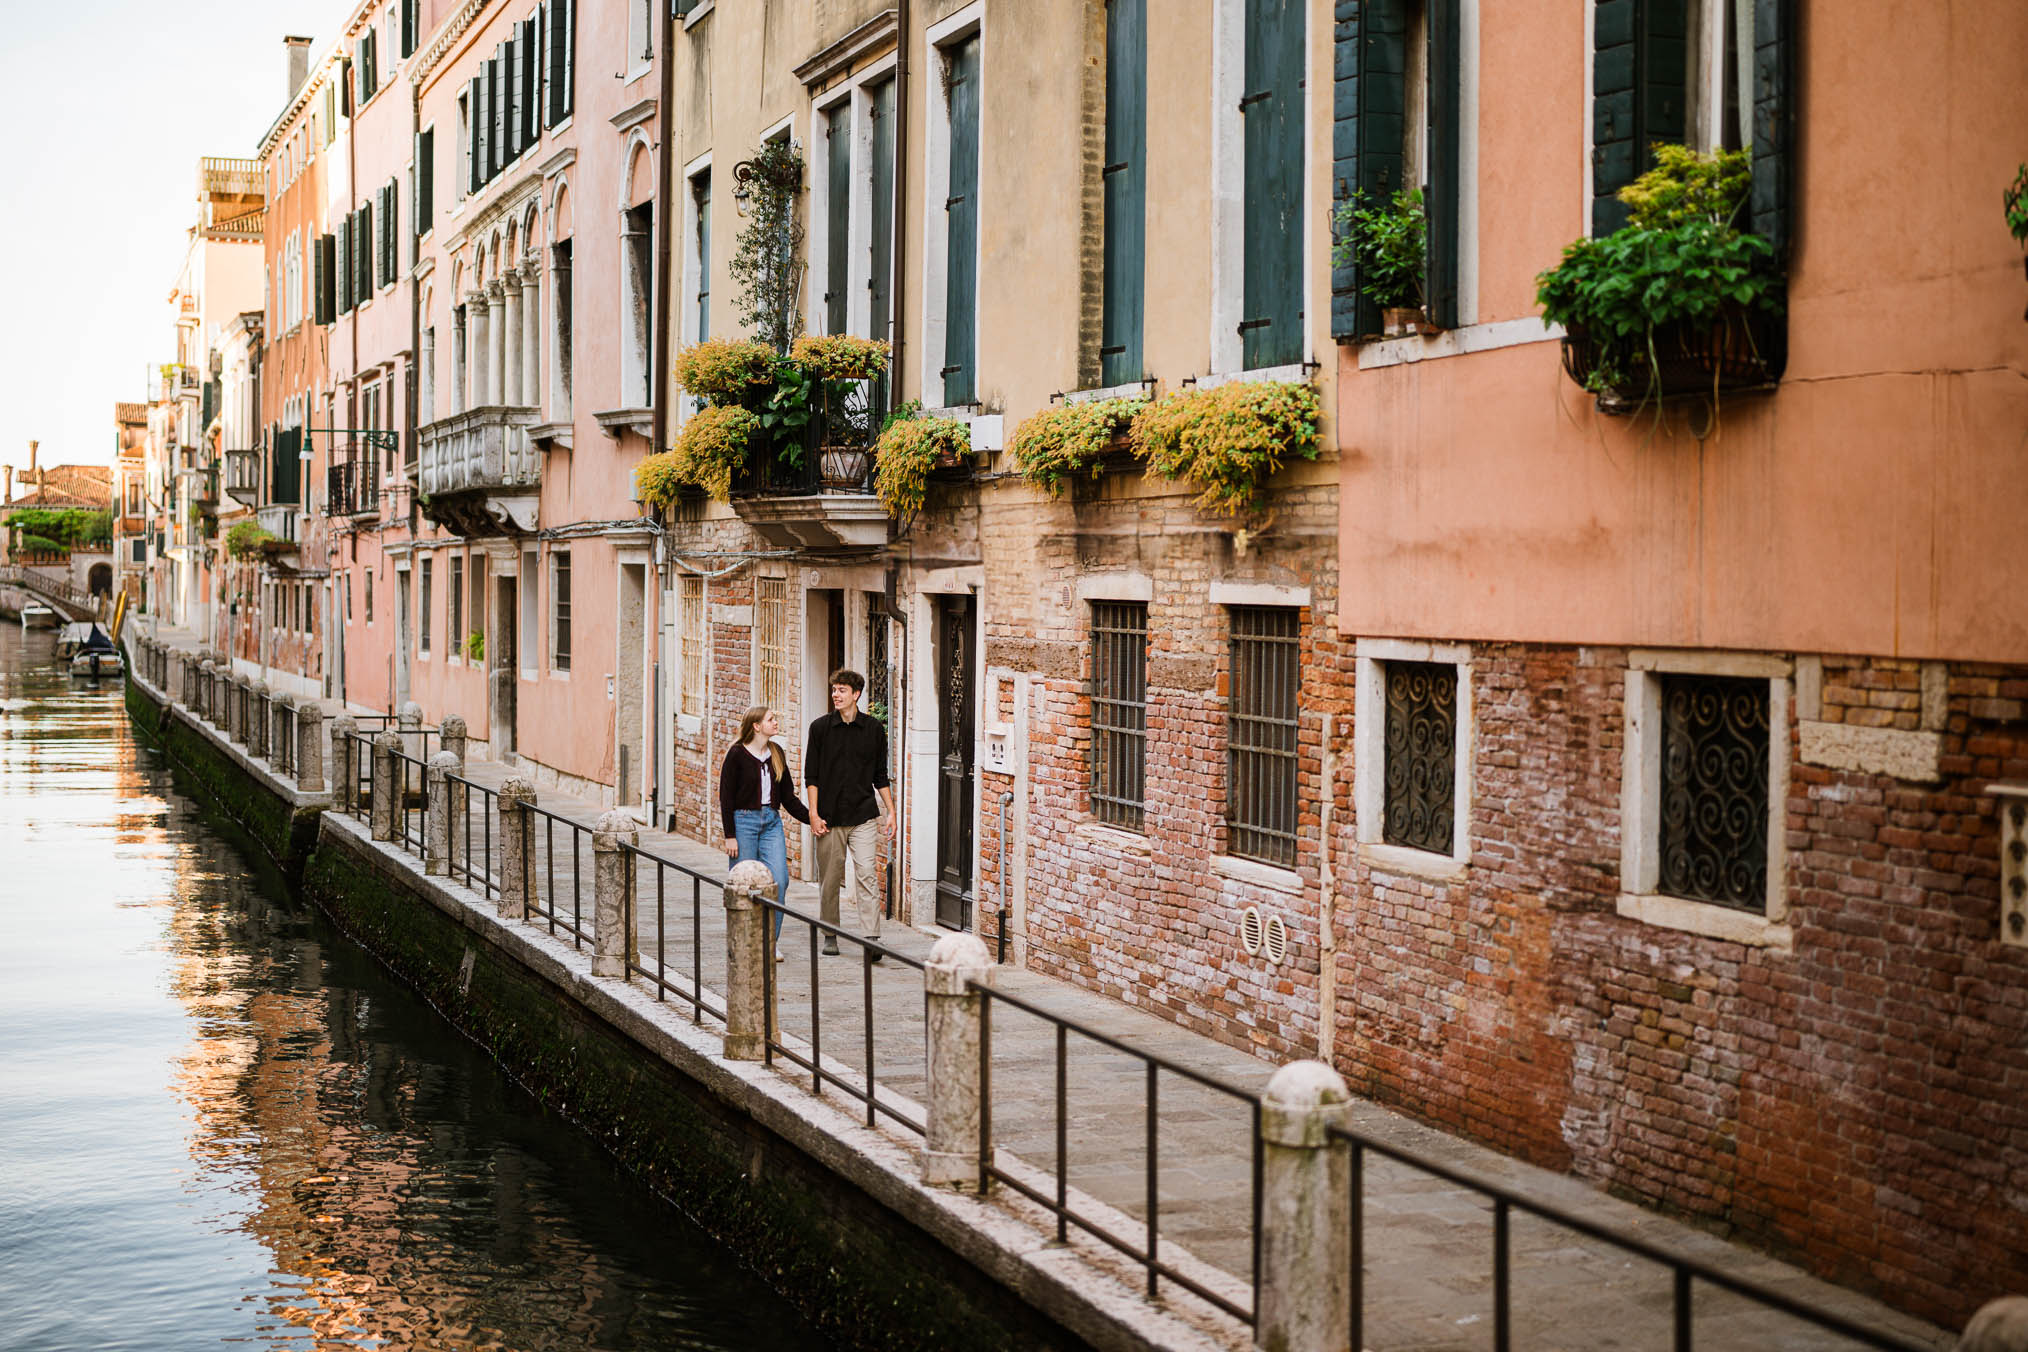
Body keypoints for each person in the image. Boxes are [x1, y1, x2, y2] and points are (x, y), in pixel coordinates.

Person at [805, 669, 895, 959]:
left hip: (863, 815)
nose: (836, 694)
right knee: (830, 879)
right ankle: (830, 932)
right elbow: (812, 776)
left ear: (856, 694)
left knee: (867, 873)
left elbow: (880, 775)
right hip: (829, 818)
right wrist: (814, 814)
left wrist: (891, 811)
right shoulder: (819, 729)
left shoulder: (873, 730)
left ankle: (872, 937)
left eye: (842, 690)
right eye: (834, 689)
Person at [719, 706, 809, 960]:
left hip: (771, 822)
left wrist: (811, 819)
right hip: (743, 822)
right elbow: (726, 797)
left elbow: (789, 797)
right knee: (743, 883)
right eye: (771, 719)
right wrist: (730, 835)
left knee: (780, 880)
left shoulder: (776, 753)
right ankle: (744, 940)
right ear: (756, 726)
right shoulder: (736, 755)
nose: (775, 722)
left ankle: (769, 942)